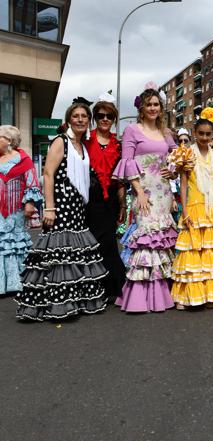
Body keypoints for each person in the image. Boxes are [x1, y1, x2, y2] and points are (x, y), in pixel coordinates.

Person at [17, 99, 107, 320]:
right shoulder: (60, 141)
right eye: (76, 116)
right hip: (60, 205)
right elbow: (48, 174)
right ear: (68, 120)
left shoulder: (82, 146)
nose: (80, 120)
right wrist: (49, 207)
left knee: (73, 253)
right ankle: (55, 304)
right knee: (58, 254)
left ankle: (75, 301)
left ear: (88, 121)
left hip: (77, 206)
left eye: (84, 117)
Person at [113, 84, 178, 312]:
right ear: (142, 108)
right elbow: (127, 161)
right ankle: (141, 297)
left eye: (156, 104)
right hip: (145, 193)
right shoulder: (132, 130)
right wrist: (138, 192)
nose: (153, 108)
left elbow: (177, 158)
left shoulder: (166, 133)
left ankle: (162, 294)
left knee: (162, 240)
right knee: (146, 240)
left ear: (161, 108)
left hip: (164, 192)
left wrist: (174, 171)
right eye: (149, 104)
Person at [169, 107, 213, 309]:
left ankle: (211, 295)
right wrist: (184, 210)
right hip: (194, 205)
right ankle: (187, 296)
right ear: (194, 134)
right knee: (193, 249)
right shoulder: (187, 154)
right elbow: (183, 184)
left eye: (208, 134)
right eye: (201, 133)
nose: (205, 137)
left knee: (212, 250)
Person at [84, 92, 126, 302]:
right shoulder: (85, 140)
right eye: (100, 115)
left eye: (109, 116)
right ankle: (92, 286)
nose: (105, 120)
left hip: (109, 200)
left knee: (109, 242)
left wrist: (122, 204)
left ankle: (111, 286)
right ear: (95, 117)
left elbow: (120, 179)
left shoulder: (118, 144)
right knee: (92, 242)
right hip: (89, 200)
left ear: (114, 119)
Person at [0, 125, 42, 296]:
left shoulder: (24, 160)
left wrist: (30, 203)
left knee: (13, 242)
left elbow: (32, 183)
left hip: (15, 209)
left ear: (9, 141)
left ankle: (16, 281)